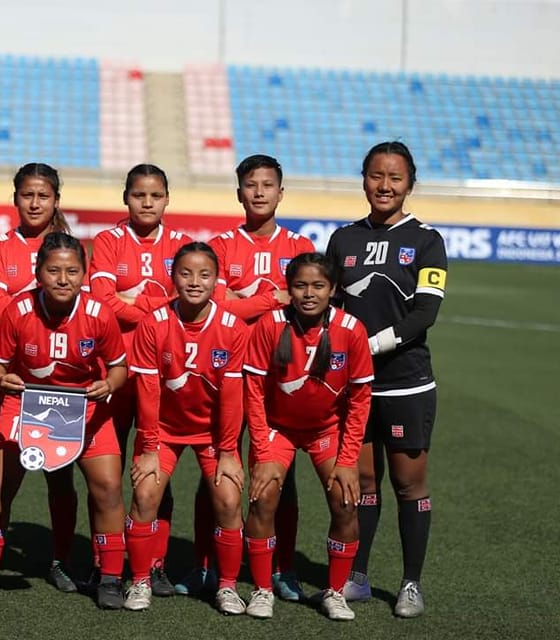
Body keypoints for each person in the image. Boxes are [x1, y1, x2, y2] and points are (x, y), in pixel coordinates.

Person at [0, 232, 128, 610]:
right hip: (25, 403)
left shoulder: (98, 313)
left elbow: (120, 367)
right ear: (38, 273)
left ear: (84, 274)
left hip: (84, 406)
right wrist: (1, 379)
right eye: (53, 270)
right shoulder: (19, 310)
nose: (63, 279)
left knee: (108, 487)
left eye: (72, 271)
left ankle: (109, 578)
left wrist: (109, 384)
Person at [179, 154, 315, 598]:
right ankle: (204, 565)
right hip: (224, 374)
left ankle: (282, 567)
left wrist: (245, 299)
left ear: (281, 192)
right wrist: (273, 297)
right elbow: (221, 307)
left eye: (267, 185)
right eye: (251, 185)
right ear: (239, 193)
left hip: (280, 377)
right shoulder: (220, 247)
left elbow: (305, 304)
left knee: (279, 476)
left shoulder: (299, 245)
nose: (259, 192)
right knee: (217, 471)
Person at [325, 141, 447, 618]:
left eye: (395, 178)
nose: (384, 185)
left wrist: (369, 345)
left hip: (405, 384)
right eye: (376, 175)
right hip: (354, 387)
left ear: (410, 184)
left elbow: (425, 313)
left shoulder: (428, 240)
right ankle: (356, 576)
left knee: (408, 484)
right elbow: (331, 308)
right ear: (363, 179)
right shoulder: (344, 239)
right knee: (362, 482)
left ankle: (411, 583)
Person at [242, 252, 374, 621]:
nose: (309, 293)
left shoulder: (352, 329)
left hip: (326, 431)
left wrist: (347, 460)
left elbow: (360, 400)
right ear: (289, 289)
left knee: (346, 502)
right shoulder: (269, 325)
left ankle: (335, 591)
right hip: (277, 429)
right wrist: (262, 451)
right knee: (262, 498)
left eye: (318, 285)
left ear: (333, 289)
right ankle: (262, 589)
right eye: (300, 285)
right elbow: (252, 392)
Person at [124, 242, 247, 615]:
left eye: (204, 275)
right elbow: (147, 391)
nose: (195, 282)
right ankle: (140, 580)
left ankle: (227, 587)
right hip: (163, 430)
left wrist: (229, 451)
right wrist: (148, 447)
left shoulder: (233, 328)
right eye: (186, 273)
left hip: (212, 433)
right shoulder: (153, 324)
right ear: (172, 277)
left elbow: (232, 397)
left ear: (217, 280)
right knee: (145, 495)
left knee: (228, 500)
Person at [0, 162, 82, 592]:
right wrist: (43, 300)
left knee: (61, 477)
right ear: (15, 198)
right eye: (27, 195)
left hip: (65, 387)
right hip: (13, 382)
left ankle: (62, 560)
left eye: (43, 195)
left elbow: (81, 308)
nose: (35, 203)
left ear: (56, 199)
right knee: (0, 481)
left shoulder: (72, 247)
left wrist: (27, 300)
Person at [89, 163, 192, 596]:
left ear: (167, 198)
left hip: (162, 375)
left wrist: (131, 301)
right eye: (138, 195)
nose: (147, 203)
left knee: (156, 473)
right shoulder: (108, 241)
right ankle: (103, 561)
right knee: (106, 475)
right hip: (112, 373)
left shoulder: (181, 244)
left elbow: (187, 298)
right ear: (125, 198)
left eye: (155, 195)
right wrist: (155, 306)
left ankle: (154, 563)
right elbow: (101, 301)